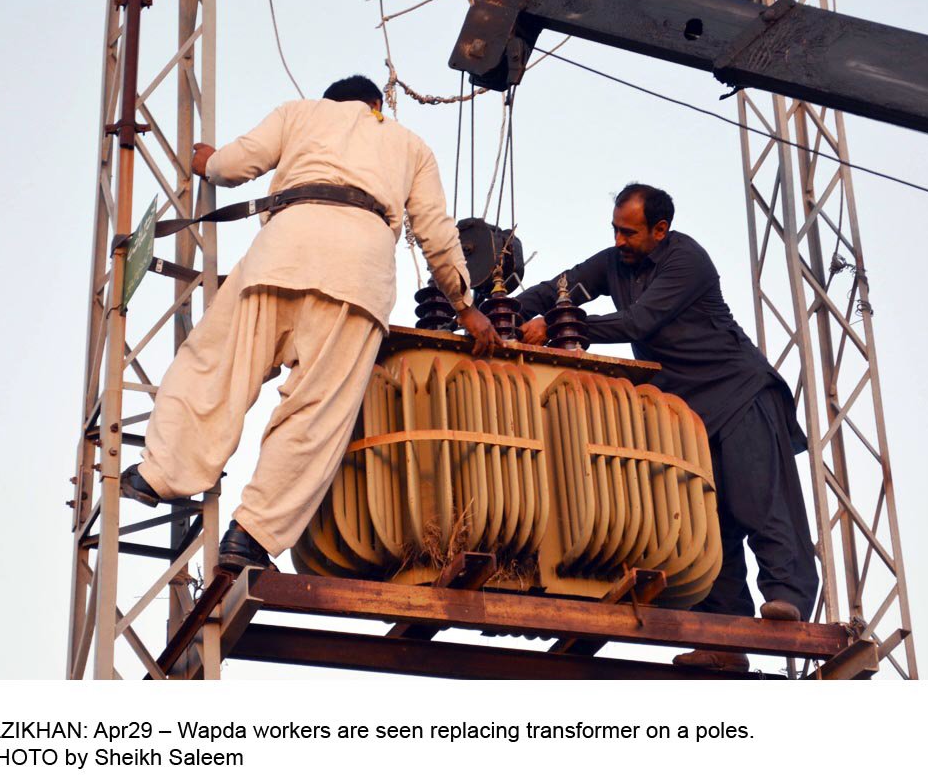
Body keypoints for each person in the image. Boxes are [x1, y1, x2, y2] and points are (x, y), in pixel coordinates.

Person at [119, 75, 500, 570]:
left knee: (217, 365)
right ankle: (248, 537)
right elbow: (436, 233)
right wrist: (465, 305)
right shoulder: (409, 145)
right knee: (314, 412)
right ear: (376, 104)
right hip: (358, 271)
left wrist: (206, 162)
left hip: (283, 249)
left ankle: (159, 473)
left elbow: (236, 164)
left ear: (332, 103)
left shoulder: (300, 113)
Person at [518, 183, 818, 673]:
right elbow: (561, 288)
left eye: (629, 231)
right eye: (615, 228)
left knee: (759, 498)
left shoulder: (688, 261)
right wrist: (503, 311)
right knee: (706, 519)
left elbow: (641, 321)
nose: (619, 240)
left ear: (660, 229)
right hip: (688, 411)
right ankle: (725, 638)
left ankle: (789, 597)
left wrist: (559, 326)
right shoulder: (615, 261)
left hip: (740, 390)